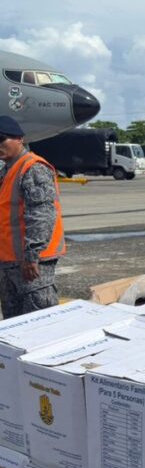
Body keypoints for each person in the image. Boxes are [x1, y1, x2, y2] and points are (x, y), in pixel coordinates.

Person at [0, 116, 64, 318]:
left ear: (19, 139)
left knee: (40, 323)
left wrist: (32, 255)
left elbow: (41, 214)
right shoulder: (7, 171)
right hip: (9, 263)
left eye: (2, 139)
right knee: (14, 327)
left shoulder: (33, 168)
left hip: (31, 263)